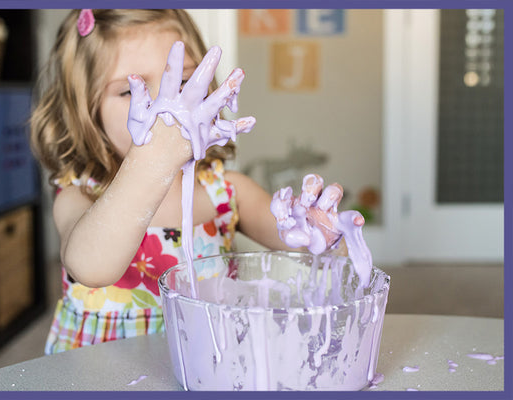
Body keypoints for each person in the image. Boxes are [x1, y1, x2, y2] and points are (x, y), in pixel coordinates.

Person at [30, 9, 348, 355]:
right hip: (100, 375)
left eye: (181, 83)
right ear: (87, 110)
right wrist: (151, 160)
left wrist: (314, 228)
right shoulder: (80, 195)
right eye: (129, 91)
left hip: (204, 360)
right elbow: (91, 267)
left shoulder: (227, 192)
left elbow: (297, 241)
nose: (165, 109)